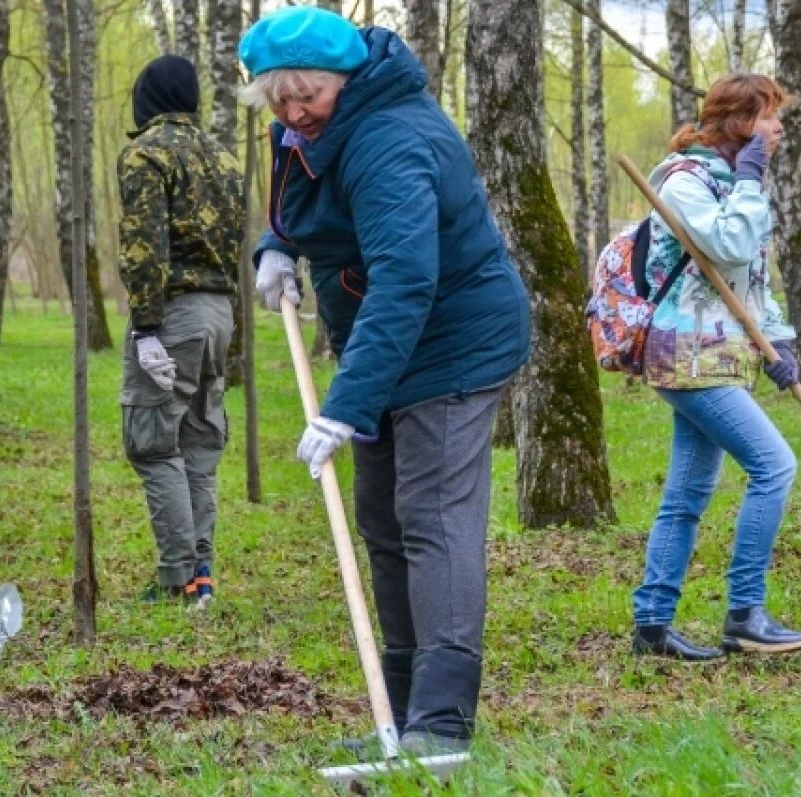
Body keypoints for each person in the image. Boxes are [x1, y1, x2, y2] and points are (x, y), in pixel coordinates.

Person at [237, 7, 530, 754]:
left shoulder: (391, 138)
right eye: (280, 98)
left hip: (454, 339)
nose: (295, 112)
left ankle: (442, 722)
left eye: (308, 95)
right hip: (389, 339)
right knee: (383, 521)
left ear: (346, 77)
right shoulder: (310, 129)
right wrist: (278, 242)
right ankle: (397, 710)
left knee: (431, 516)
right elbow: (307, 183)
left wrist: (345, 407)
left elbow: (405, 279)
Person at [630, 73, 801, 661]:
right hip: (686, 354)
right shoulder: (684, 181)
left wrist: (778, 340)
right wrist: (753, 179)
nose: (778, 127)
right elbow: (728, 246)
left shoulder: (734, 181)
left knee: (687, 494)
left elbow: (748, 276)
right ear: (738, 121)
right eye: (768, 116)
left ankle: (652, 627)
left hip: (721, 353)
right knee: (774, 466)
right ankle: (745, 615)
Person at [117, 55, 244, 610]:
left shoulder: (146, 154)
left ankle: (177, 577)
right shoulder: (226, 159)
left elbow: (145, 247)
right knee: (199, 441)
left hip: (173, 314)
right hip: (219, 314)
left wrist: (147, 326)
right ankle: (202, 579)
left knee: (153, 443)